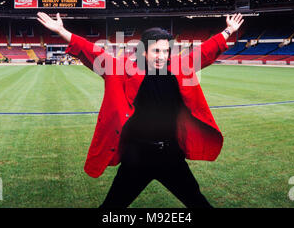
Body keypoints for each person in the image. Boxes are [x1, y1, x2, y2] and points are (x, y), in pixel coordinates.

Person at [36, 12, 244, 208]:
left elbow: (205, 50)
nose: (162, 56)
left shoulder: (180, 67)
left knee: (198, 202)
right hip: (136, 155)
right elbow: (93, 51)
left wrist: (228, 31)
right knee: (112, 207)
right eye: (156, 51)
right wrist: (62, 31)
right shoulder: (121, 70)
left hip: (171, 155)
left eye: (165, 51)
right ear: (144, 50)